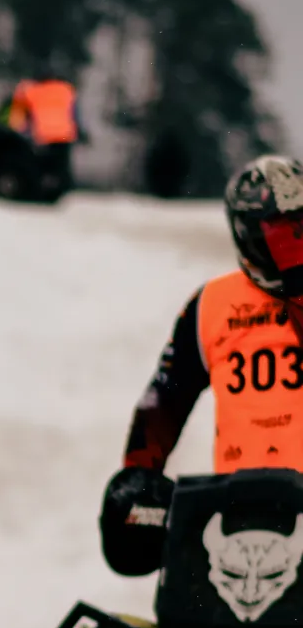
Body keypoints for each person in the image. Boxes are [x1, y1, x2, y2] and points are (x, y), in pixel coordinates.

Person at [101, 154, 303, 573]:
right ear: (249, 237)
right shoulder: (212, 304)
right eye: (283, 237)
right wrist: (139, 473)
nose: (296, 250)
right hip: (241, 517)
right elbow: (165, 398)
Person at [8, 75, 81, 192]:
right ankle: (63, 187)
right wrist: (79, 130)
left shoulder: (33, 91)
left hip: (44, 135)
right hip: (64, 135)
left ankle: (41, 187)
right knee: (61, 165)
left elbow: (22, 116)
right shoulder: (65, 89)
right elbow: (74, 113)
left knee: (43, 165)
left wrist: (22, 132)